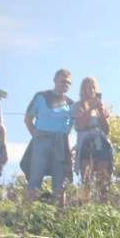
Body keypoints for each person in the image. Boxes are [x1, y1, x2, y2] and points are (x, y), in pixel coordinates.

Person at [23, 69, 75, 205]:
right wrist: (35, 135)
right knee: (35, 177)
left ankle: (59, 213)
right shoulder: (41, 96)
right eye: (63, 81)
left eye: (68, 83)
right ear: (55, 80)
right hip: (42, 140)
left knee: (60, 180)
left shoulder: (71, 104)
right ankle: (29, 211)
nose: (65, 84)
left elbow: (70, 127)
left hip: (60, 142)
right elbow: (28, 119)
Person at [74, 77, 113, 200]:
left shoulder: (102, 106)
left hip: (101, 140)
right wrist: (90, 108)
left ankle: (103, 202)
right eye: (88, 87)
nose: (91, 90)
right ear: (83, 89)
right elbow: (80, 125)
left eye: (93, 87)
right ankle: (85, 202)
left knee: (103, 175)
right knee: (86, 175)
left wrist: (100, 111)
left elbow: (106, 129)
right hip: (85, 141)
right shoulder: (78, 105)